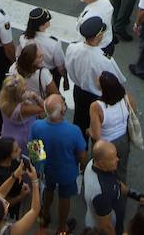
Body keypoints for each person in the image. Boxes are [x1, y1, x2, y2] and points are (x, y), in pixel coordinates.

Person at [30, 93, 87, 230]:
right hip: (66, 172)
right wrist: (83, 167)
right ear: (62, 110)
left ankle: (45, 214)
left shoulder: (36, 126)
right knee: (64, 197)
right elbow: (82, 155)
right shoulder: (74, 131)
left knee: (48, 189)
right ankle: (62, 228)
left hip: (47, 169)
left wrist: (40, 166)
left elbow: (34, 152)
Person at [88, 71, 136, 180]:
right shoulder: (126, 97)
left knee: (100, 172)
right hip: (123, 140)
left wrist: (89, 131)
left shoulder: (96, 106)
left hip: (105, 143)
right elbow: (133, 112)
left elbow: (96, 134)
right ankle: (121, 193)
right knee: (121, 171)